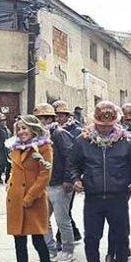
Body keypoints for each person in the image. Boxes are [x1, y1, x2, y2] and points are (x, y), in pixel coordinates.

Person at [67, 101, 131, 262]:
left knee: (121, 237)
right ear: (95, 122)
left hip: (118, 197)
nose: (105, 128)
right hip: (93, 198)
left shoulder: (127, 140)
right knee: (91, 239)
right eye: (101, 125)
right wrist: (76, 179)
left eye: (109, 125)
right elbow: (72, 164)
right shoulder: (83, 140)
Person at [5, 115, 54, 262]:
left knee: (38, 239)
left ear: (33, 129)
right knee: (19, 241)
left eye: (24, 128)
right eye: (18, 129)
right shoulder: (14, 147)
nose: (21, 132)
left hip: (33, 200)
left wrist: (31, 196)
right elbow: (14, 172)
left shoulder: (43, 147)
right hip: (16, 200)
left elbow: (45, 174)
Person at [33, 104, 76, 262]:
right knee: (43, 220)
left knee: (62, 219)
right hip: (45, 184)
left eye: (42, 119)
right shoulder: (37, 138)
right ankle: (49, 251)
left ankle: (67, 250)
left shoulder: (58, 134)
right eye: (37, 119)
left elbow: (71, 157)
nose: (39, 122)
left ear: (50, 119)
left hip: (59, 184)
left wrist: (69, 179)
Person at [51, 100, 83, 245]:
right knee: (64, 211)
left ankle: (63, 240)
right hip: (54, 176)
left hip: (69, 175)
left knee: (64, 211)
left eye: (60, 116)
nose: (58, 119)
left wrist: (71, 178)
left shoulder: (76, 130)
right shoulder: (50, 131)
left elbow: (74, 156)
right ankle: (73, 233)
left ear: (67, 115)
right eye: (55, 116)